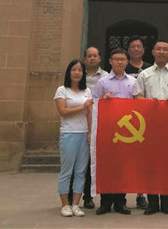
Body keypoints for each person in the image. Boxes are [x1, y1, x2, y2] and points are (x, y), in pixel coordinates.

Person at [133, 39, 168, 215]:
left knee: (167, 166)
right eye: (159, 49)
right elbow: (137, 97)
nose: (162, 52)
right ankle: (152, 203)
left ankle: (166, 203)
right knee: (150, 165)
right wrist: (149, 103)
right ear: (153, 52)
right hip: (149, 126)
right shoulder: (144, 74)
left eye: (165, 49)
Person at [92, 48, 135, 215]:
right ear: (110, 61)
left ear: (127, 61)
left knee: (123, 168)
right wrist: (104, 101)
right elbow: (95, 103)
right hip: (108, 130)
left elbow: (137, 103)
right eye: (116, 59)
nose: (119, 62)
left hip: (127, 133)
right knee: (107, 166)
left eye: (122, 59)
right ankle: (105, 202)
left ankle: (120, 202)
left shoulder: (133, 81)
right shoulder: (102, 82)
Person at [55, 59, 93, 217]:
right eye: (74, 70)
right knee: (67, 171)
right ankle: (65, 204)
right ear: (69, 72)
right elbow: (63, 111)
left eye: (80, 70)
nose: (77, 73)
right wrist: (82, 107)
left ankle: (76, 204)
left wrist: (90, 132)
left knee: (81, 171)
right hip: (69, 133)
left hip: (83, 133)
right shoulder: (62, 90)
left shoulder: (87, 91)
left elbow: (90, 114)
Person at [124, 36, 151, 210]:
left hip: (146, 119)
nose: (136, 49)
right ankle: (121, 195)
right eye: (133, 46)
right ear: (128, 50)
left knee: (143, 159)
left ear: (144, 49)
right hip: (126, 120)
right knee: (126, 159)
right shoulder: (122, 68)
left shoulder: (149, 68)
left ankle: (142, 194)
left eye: (139, 46)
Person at [81, 46, 108, 208]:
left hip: (99, 121)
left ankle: (93, 196)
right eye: (89, 56)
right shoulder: (78, 75)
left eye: (95, 56)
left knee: (95, 160)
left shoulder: (106, 77)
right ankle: (77, 196)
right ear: (85, 59)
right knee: (82, 162)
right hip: (80, 120)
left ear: (99, 58)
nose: (92, 58)